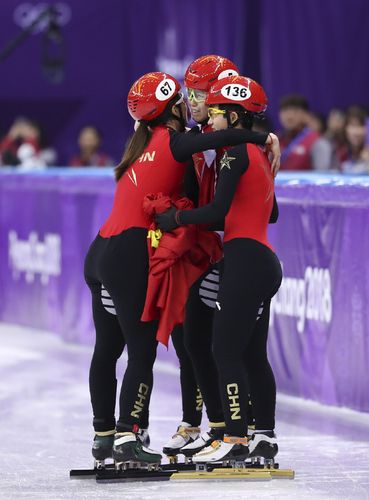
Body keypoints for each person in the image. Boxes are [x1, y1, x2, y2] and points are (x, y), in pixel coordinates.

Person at [83, 71, 280, 467]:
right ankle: (128, 436)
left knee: (107, 349)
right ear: (173, 108)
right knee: (142, 351)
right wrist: (263, 137)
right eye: (184, 100)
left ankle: (104, 436)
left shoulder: (136, 146)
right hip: (128, 253)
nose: (195, 108)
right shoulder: (173, 141)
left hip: (100, 252)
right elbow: (219, 139)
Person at [156, 75, 282, 464]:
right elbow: (272, 212)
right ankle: (264, 436)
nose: (210, 120)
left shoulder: (232, 154)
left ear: (231, 114)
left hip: (243, 261)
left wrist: (172, 217)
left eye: (214, 112)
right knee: (253, 355)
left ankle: (236, 438)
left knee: (224, 351)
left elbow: (217, 212)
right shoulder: (258, 154)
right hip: (262, 259)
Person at [162, 54, 242, 458]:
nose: (191, 100)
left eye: (199, 94)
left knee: (200, 341)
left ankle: (226, 427)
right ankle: (196, 422)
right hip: (192, 245)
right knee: (186, 339)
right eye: (188, 93)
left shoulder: (230, 135)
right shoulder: (199, 134)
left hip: (217, 250)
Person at [278, 94, 319, 170]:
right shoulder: (275, 139)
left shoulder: (316, 141)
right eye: (285, 111)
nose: (289, 117)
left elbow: (322, 177)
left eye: (295, 111)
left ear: (306, 115)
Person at [341, 106, 369, 174]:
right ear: (345, 128)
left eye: (360, 126)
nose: (356, 132)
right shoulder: (340, 152)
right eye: (352, 125)